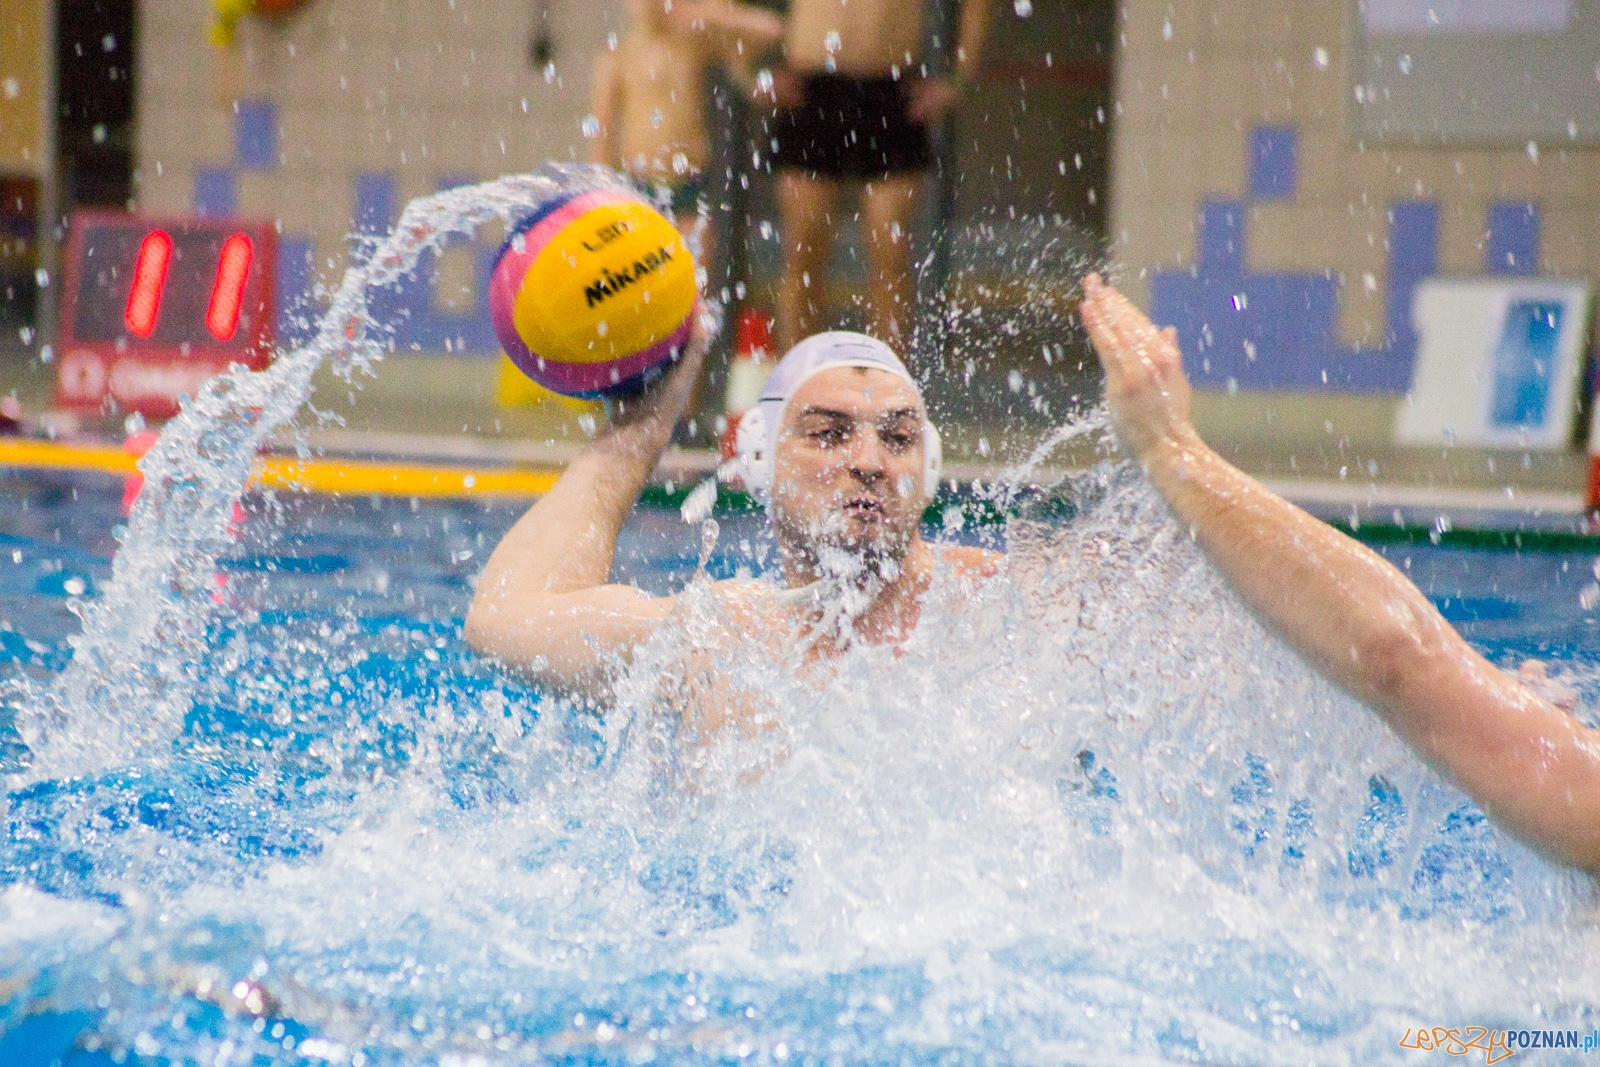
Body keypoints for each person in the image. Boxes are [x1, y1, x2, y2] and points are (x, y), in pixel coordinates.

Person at [465, 277, 1600, 875]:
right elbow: (504, 617)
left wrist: (1483, 693)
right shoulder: (713, 634)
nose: (869, 458)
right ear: (756, 463)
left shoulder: (1021, 602)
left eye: (898, 436)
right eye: (827, 432)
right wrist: (639, 426)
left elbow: (1281, 650)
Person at [763, 0, 996, 353]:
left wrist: (959, 78)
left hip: (889, 88)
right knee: (803, 252)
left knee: (891, 251)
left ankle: (889, 380)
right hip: (810, 87)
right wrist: (751, 71)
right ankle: (797, 377)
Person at [589, 0, 784, 266]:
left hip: (689, 184)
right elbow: (601, 137)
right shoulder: (618, 58)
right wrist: (601, 202)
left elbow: (771, 31)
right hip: (638, 187)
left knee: (692, 281)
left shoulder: (694, 44)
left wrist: (703, 12)